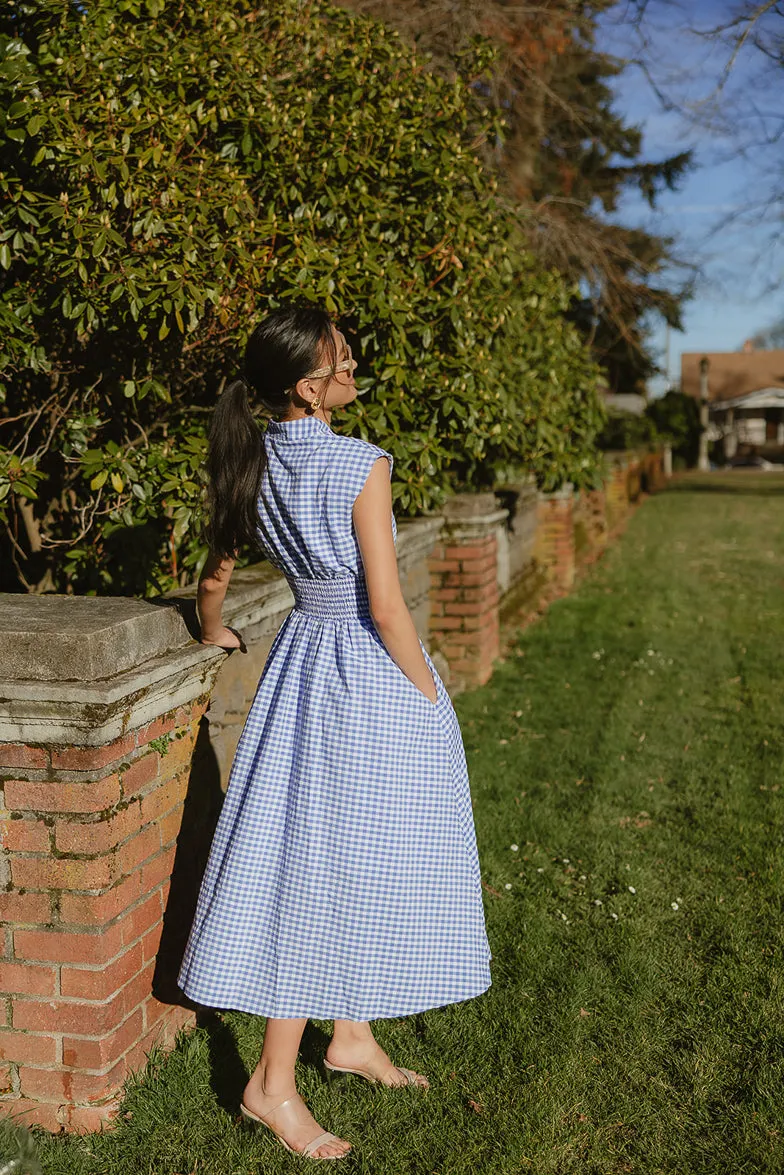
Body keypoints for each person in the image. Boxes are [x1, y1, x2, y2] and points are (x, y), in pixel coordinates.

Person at [177, 305, 492, 1161]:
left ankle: (348, 1032)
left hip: (300, 666)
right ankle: (270, 1083)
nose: (352, 367)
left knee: (334, 845)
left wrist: (214, 628)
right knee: (328, 861)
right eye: (338, 360)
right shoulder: (361, 464)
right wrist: (430, 696)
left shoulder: (251, 459)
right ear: (306, 387)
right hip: (364, 672)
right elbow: (386, 607)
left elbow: (214, 579)